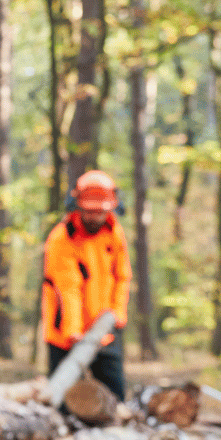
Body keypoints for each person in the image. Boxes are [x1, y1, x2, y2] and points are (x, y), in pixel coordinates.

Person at [41, 170, 131, 401]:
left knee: (114, 397)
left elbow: (122, 276)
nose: (95, 217)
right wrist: (73, 331)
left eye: (100, 212)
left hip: (104, 331)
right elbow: (67, 287)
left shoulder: (114, 233)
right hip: (65, 335)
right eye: (89, 212)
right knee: (62, 401)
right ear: (78, 205)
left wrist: (117, 313)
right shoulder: (62, 238)